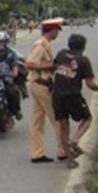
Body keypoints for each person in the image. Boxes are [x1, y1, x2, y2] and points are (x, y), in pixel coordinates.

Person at [53, 34, 98, 169]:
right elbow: (90, 84)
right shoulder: (83, 60)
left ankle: (70, 160)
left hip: (57, 96)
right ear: (83, 47)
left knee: (64, 128)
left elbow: (54, 67)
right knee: (87, 119)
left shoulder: (61, 54)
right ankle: (75, 140)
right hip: (73, 96)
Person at [25, 18, 68, 164]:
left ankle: (36, 153)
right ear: (53, 30)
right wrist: (51, 66)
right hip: (42, 85)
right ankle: (63, 151)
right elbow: (30, 64)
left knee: (37, 121)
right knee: (57, 117)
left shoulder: (44, 44)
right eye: (57, 30)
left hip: (37, 84)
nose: (58, 33)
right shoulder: (41, 45)